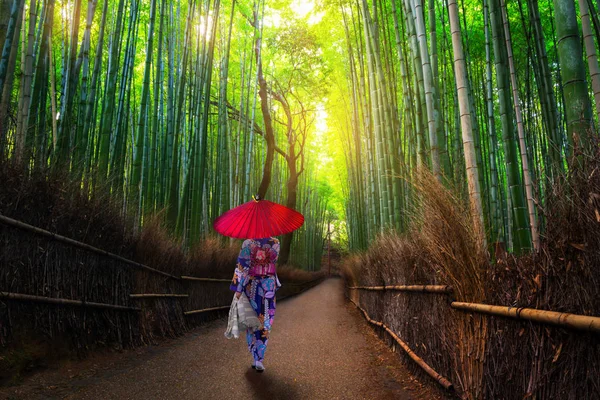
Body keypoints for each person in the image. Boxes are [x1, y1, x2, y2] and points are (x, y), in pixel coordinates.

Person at [230, 237, 280, 372]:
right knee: (265, 322)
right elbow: (273, 262)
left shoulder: (248, 243)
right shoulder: (275, 243)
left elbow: (242, 267)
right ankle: (259, 358)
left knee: (253, 321)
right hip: (268, 286)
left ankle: (256, 356)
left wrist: (238, 289)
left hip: (252, 286)